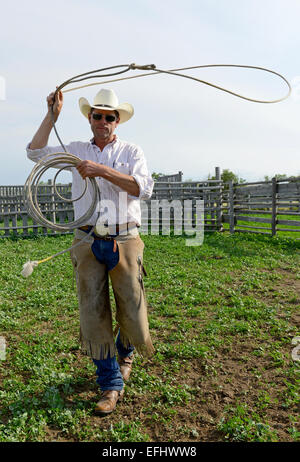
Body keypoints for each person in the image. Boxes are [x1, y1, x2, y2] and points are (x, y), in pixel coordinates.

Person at [26, 88, 155, 415]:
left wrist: (102, 171)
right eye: (97, 115)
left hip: (124, 238)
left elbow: (143, 188)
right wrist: (51, 115)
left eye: (109, 116)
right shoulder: (76, 149)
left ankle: (125, 352)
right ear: (89, 118)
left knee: (135, 316)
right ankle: (111, 383)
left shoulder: (131, 151)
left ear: (117, 121)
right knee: (92, 313)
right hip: (86, 239)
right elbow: (34, 152)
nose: (102, 121)